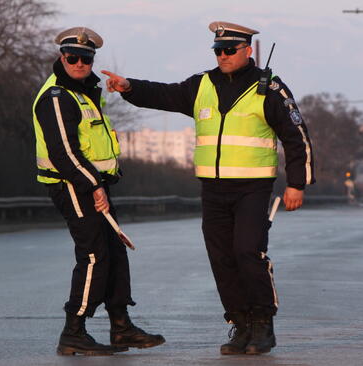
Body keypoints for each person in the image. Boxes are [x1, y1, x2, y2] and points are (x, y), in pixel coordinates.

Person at [102, 21, 315, 355]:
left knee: (247, 251)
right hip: (213, 190)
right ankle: (240, 325)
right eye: (218, 50)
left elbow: (296, 136)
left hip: (252, 188)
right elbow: (164, 94)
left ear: (248, 50)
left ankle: (263, 324)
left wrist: (297, 184)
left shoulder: (269, 88)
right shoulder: (201, 85)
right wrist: (129, 87)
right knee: (221, 258)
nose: (223, 56)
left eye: (230, 50)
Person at [32, 26, 165, 356]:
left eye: (85, 58)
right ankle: (73, 330)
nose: (78, 63)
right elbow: (63, 153)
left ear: (92, 60)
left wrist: (99, 184)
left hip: (93, 184)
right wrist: (93, 186)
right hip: (72, 185)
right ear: (62, 58)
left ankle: (121, 327)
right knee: (93, 255)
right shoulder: (57, 97)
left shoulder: (85, 92)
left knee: (114, 252)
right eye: (72, 57)